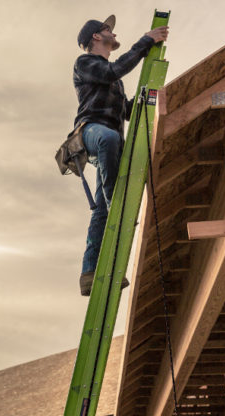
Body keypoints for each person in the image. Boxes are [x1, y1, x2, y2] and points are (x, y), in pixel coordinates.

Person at [75, 15, 168, 296]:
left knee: (102, 210)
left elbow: (127, 113)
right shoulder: (86, 64)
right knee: (109, 136)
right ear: (96, 37)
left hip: (110, 145)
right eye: (108, 30)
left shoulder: (113, 81)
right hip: (91, 133)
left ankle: (90, 274)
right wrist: (146, 41)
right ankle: (117, 198)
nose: (113, 33)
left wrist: (151, 99)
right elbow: (113, 71)